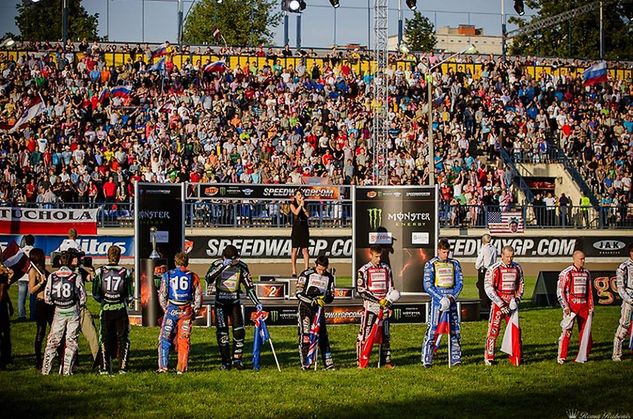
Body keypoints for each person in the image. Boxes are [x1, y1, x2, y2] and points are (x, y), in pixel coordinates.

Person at [206, 244, 262, 370]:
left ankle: (237, 359)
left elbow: (249, 287)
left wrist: (256, 303)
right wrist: (222, 266)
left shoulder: (242, 266)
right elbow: (208, 278)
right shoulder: (217, 264)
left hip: (234, 303)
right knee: (222, 333)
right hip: (220, 304)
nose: (233, 263)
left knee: (239, 331)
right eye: (230, 260)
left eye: (235, 259)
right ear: (224, 257)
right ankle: (225, 362)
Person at [41, 252, 86, 375]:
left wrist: (54, 303)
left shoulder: (53, 276)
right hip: (72, 310)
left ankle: (46, 370)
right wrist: (77, 304)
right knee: (71, 341)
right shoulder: (75, 276)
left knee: (53, 341)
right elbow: (83, 297)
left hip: (59, 311)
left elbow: (47, 296)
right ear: (71, 261)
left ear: (60, 262)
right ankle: (67, 370)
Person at [422, 238, 464, 368]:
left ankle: (455, 357)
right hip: (437, 303)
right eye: (444, 252)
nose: (446, 255)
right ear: (439, 250)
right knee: (433, 330)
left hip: (451, 301)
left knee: (455, 329)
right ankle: (427, 358)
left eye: (448, 252)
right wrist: (440, 298)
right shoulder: (431, 264)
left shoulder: (455, 264)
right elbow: (427, 285)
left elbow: (460, 283)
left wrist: (451, 297)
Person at [158, 252, 202, 374]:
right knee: (184, 339)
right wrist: (195, 310)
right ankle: (181, 369)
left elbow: (162, 295)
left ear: (175, 262)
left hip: (171, 309)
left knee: (164, 338)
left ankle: (163, 367)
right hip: (186, 310)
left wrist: (165, 309)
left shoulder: (167, 275)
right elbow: (198, 296)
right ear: (187, 262)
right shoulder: (193, 276)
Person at [92, 245, 133, 374]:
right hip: (121, 308)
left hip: (106, 308)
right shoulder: (125, 272)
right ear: (119, 257)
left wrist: (105, 301)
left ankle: (104, 367)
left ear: (107, 256)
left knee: (104, 337)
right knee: (123, 338)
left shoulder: (100, 271)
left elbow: (95, 293)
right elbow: (130, 295)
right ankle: (123, 367)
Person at [483, 245, 525, 365]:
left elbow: (521, 284)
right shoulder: (494, 269)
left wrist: (516, 299)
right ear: (502, 256)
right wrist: (501, 303)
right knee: (493, 330)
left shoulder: (517, 267)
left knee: (516, 330)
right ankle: (489, 357)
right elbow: (488, 288)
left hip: (512, 304)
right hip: (498, 304)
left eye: (511, 257)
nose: (509, 259)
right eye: (507, 257)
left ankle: (516, 356)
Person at [356, 245, 395, 368]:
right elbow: (361, 291)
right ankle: (361, 360)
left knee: (385, 335)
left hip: (384, 307)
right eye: (376, 256)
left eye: (380, 256)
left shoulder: (386, 268)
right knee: (365, 334)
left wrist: (388, 303)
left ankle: (386, 361)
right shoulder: (363, 270)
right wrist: (378, 300)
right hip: (370, 308)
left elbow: (391, 288)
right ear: (370, 255)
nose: (379, 259)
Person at [296, 255, 336, 370]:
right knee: (306, 335)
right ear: (315, 265)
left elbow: (331, 296)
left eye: (324, 270)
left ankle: (328, 363)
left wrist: (325, 299)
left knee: (323, 335)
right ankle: (305, 363)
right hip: (305, 308)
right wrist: (312, 301)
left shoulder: (329, 277)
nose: (321, 272)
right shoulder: (306, 274)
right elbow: (298, 293)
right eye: (319, 269)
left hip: (319, 309)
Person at [557, 249, 594, 364]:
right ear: (574, 259)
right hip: (571, 307)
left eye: (584, 258)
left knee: (585, 331)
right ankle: (561, 357)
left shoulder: (586, 273)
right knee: (567, 331)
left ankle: (583, 356)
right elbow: (560, 291)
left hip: (583, 306)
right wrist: (565, 306)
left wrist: (591, 306)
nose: (583, 261)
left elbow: (589, 292)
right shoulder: (566, 273)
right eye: (581, 259)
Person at [28, 248, 54, 370]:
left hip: (50, 303)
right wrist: (40, 283)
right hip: (40, 304)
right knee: (40, 332)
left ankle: (57, 357)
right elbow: (31, 290)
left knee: (54, 331)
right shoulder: (33, 271)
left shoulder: (44, 270)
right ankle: (38, 360)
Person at [613, 243, 633, 361]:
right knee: (624, 325)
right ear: (630, 253)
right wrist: (629, 299)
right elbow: (620, 288)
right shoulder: (623, 267)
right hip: (629, 300)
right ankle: (616, 354)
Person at [290, 189, 310, 277]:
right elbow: (295, 213)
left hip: (304, 228)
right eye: (298, 194)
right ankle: (294, 270)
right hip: (296, 228)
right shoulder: (292, 204)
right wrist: (299, 206)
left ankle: (306, 269)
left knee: (305, 249)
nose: (299, 196)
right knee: (295, 250)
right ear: (295, 196)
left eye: (300, 194)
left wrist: (303, 206)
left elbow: (308, 215)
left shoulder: (306, 204)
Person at [475, 234, 497, 312]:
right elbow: (495, 260)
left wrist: (477, 266)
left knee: (482, 287)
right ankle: (490, 303)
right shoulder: (494, 248)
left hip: (484, 270)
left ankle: (483, 304)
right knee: (490, 287)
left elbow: (480, 259)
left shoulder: (483, 249)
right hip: (492, 269)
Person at [16, 235, 35, 321]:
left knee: (21, 298)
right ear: (33, 241)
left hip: (22, 277)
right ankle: (33, 315)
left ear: (25, 241)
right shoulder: (35, 251)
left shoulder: (21, 251)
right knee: (32, 298)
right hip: (31, 277)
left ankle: (21, 316)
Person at [0, 260, 14, 369]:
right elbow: (2, 291)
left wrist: (9, 303)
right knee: (4, 333)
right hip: (1, 305)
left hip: (3, 304)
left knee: (6, 333)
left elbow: (4, 291)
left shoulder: (3, 270)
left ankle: (7, 357)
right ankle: (4, 358)